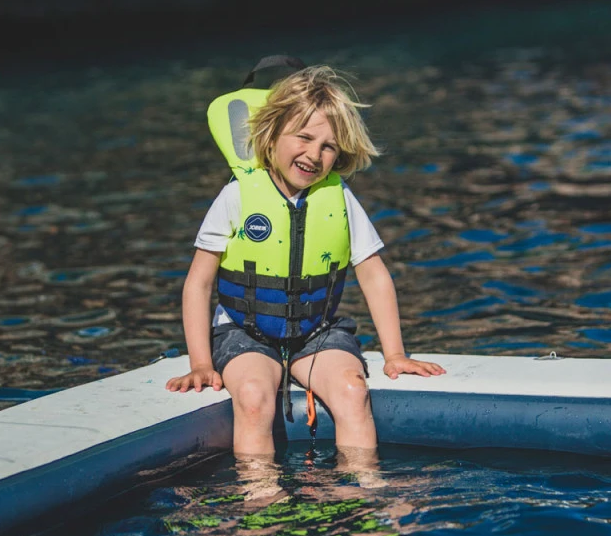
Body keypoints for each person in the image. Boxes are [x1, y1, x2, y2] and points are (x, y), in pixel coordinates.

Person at [166, 64, 445, 459]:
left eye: (328, 146)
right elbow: (198, 283)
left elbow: (374, 276)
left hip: (317, 331)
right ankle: (260, 494)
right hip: (243, 332)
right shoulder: (237, 195)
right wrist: (200, 362)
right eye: (304, 137)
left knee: (352, 391)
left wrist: (395, 354)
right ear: (272, 133)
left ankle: (361, 486)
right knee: (252, 396)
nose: (314, 154)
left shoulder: (339, 197)